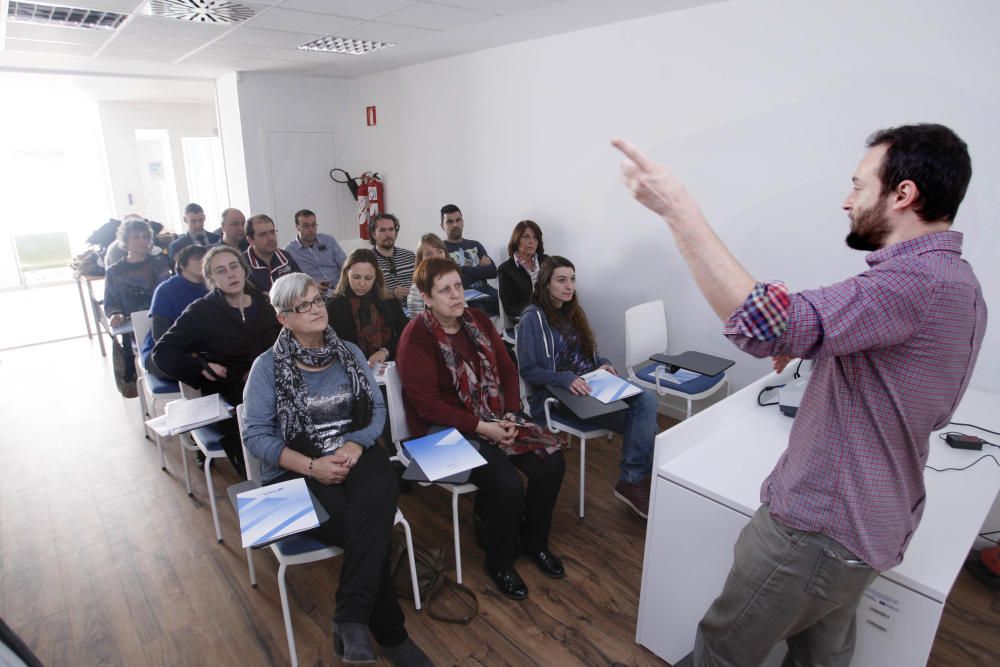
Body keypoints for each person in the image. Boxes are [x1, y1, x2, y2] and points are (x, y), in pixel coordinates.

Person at [613, 123, 986, 667]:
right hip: (871, 529)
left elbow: (761, 326)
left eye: (859, 186)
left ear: (903, 195)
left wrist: (678, 212)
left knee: (720, 653)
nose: (846, 200)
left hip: (816, 531)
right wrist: (825, 348)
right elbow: (924, 401)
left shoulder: (911, 283)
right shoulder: (963, 286)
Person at [242, 273, 431, 666]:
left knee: (380, 489)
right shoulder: (266, 368)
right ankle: (392, 636)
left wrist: (354, 443)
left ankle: (350, 617)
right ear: (283, 319)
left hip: (355, 450)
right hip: (301, 465)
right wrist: (313, 466)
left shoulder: (348, 352)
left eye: (317, 300)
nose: (315, 309)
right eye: (303, 306)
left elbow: (375, 410)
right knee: (364, 528)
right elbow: (256, 436)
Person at [397, 258, 567, 601]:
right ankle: (500, 561)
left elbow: (506, 367)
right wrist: (483, 427)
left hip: (491, 415)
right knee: (506, 484)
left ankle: (533, 542)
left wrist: (509, 414)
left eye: (458, 286)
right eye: (445, 290)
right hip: (439, 432)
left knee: (551, 462)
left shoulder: (475, 319)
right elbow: (427, 406)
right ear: (427, 298)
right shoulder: (416, 336)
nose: (457, 295)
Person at [516, 256, 659, 519]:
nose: (569, 286)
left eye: (572, 279)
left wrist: (603, 364)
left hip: (592, 383)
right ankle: (634, 480)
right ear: (546, 284)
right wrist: (565, 378)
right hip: (559, 395)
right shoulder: (532, 319)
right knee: (644, 417)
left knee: (646, 409)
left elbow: (588, 354)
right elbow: (528, 371)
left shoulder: (572, 311)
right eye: (561, 280)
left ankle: (634, 479)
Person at [152, 245, 282, 475]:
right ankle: (271, 491)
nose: (230, 274)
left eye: (234, 267)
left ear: (244, 270)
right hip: (231, 397)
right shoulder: (202, 311)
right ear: (211, 279)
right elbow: (162, 352)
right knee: (265, 444)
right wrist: (201, 367)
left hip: (274, 389)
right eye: (221, 271)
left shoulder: (265, 304)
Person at [104, 218, 172, 385]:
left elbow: (167, 294)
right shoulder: (115, 271)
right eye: (136, 237)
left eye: (145, 236)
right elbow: (111, 301)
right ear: (126, 241)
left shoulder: (159, 263)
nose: (142, 241)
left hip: (161, 323)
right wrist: (115, 314)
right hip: (132, 329)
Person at [326, 249, 408, 368]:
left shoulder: (389, 301)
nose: (362, 284)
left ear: (376, 277)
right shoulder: (333, 307)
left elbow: (405, 333)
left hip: (391, 368)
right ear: (346, 274)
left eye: (368, 278)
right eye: (356, 277)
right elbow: (329, 346)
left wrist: (385, 351)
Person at [142, 244, 209, 381]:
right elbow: (160, 336)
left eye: (207, 258)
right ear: (182, 264)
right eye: (198, 259)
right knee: (202, 371)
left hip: (203, 350)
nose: (204, 262)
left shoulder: (212, 286)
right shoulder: (166, 290)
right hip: (163, 352)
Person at [440, 204, 499, 316]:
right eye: (449, 221)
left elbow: (492, 271)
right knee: (478, 314)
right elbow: (454, 281)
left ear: (463, 222)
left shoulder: (475, 244)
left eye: (458, 220)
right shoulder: (441, 250)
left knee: (508, 301)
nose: (455, 224)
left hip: (487, 291)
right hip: (465, 297)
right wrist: (479, 269)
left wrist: (462, 270)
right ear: (442, 226)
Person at [284, 209, 346, 295]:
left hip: (341, 289)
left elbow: (345, 264)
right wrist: (308, 287)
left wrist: (344, 283)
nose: (311, 229)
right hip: (316, 295)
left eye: (314, 225)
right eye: (306, 226)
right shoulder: (289, 252)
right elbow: (292, 282)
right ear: (297, 226)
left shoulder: (328, 240)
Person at [497, 219, 550, 322]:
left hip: (551, 312)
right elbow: (510, 307)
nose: (531, 242)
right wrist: (537, 308)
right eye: (526, 237)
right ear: (516, 240)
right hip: (527, 317)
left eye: (535, 238)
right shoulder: (506, 269)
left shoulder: (546, 261)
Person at [244, 213, 301, 293]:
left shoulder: (285, 257)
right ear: (250, 240)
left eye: (272, 232)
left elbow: (301, 284)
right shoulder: (241, 265)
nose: (271, 238)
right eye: (263, 234)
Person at [370, 213, 416, 303]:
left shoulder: (409, 256)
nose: (388, 234)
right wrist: (392, 294)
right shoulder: (368, 260)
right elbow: (364, 293)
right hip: (386, 312)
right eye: (382, 230)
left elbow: (422, 283)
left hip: (414, 309)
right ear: (374, 234)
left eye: (391, 229)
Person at [406, 233, 448, 317]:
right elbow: (418, 323)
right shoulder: (417, 289)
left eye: (439, 251)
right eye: (429, 254)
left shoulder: (452, 279)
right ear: (420, 260)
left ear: (445, 255)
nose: (436, 257)